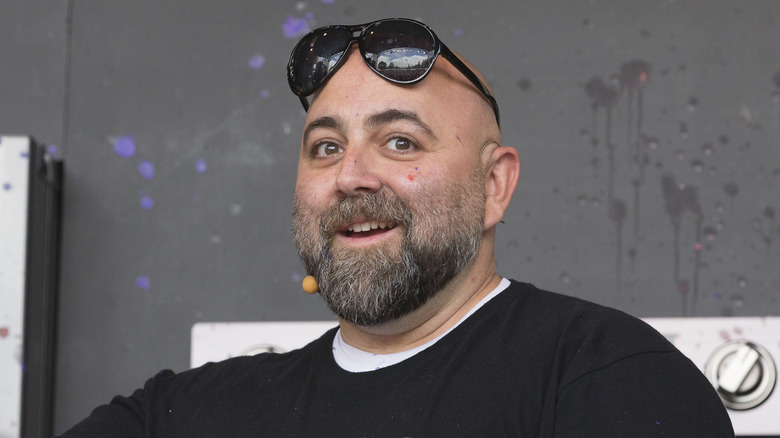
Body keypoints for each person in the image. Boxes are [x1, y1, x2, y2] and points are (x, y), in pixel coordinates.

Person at [60, 18, 734, 437]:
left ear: (494, 185)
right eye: (326, 147)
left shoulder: (606, 376)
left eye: (400, 142)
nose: (351, 176)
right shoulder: (178, 417)